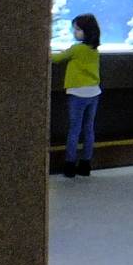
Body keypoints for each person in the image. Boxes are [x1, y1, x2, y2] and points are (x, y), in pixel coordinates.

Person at [52, 13, 101, 178]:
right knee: (89, 129)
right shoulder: (94, 49)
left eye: (77, 29)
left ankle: (69, 165)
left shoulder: (76, 48)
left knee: (74, 130)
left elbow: (56, 59)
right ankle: (86, 164)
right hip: (94, 93)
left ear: (86, 31)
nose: (75, 32)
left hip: (78, 94)